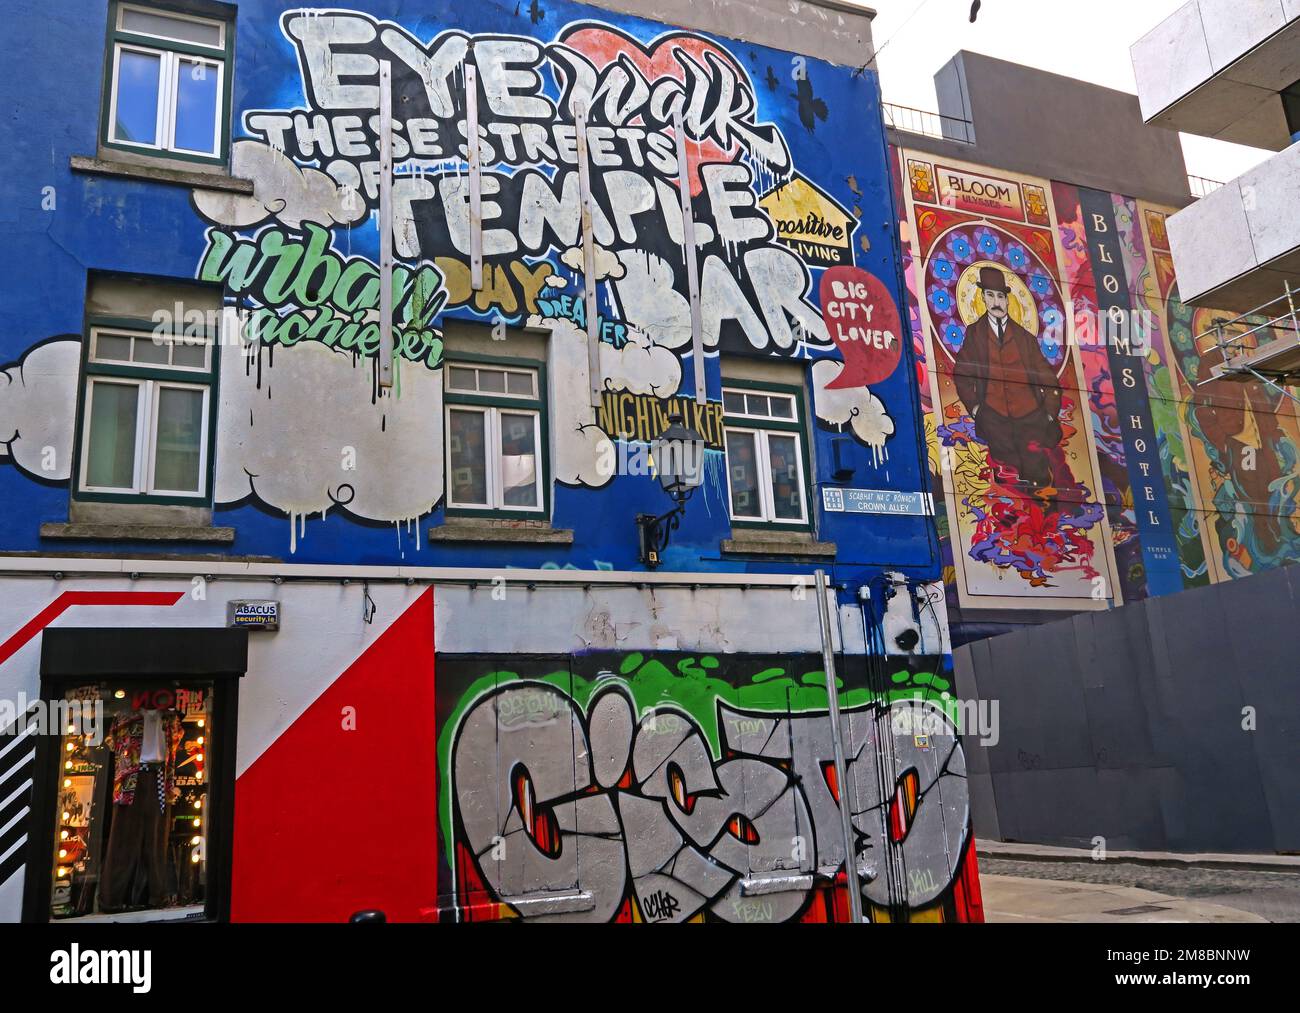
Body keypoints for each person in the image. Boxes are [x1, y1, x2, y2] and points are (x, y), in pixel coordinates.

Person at [954, 266, 1062, 489]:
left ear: (1007, 300)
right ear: (983, 298)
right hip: (995, 419)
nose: (996, 302)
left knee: (1040, 481)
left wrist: (1049, 414)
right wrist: (976, 410)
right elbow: (962, 373)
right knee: (1007, 483)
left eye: (1001, 296)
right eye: (990, 295)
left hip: (1030, 418)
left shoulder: (1024, 337)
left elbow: (1047, 376)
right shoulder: (975, 334)